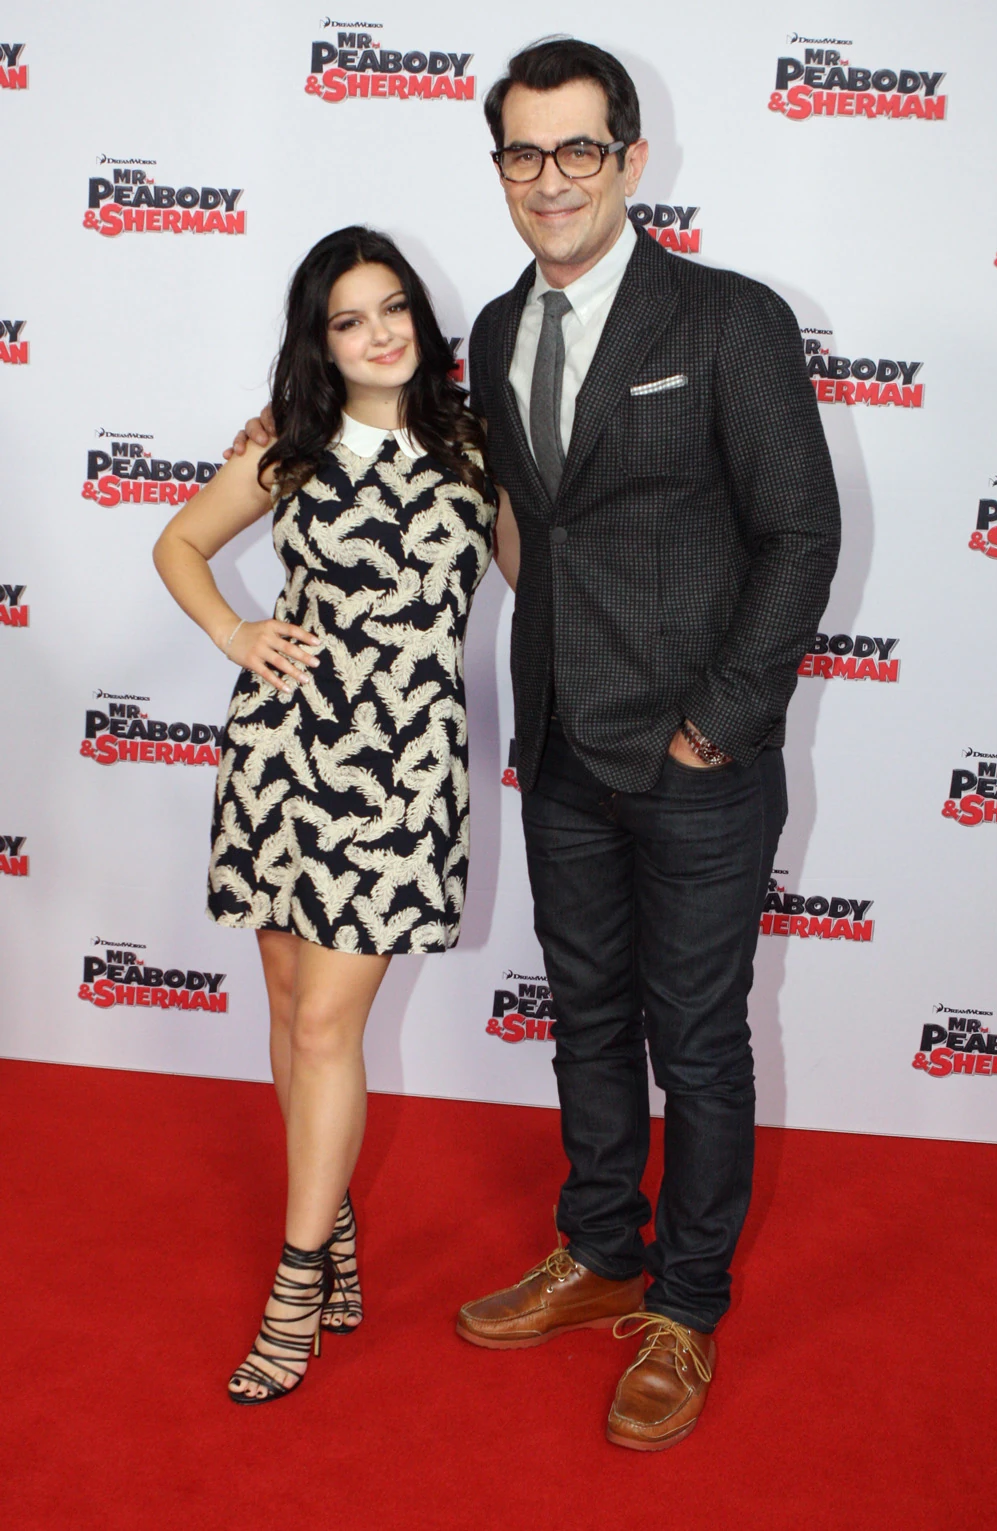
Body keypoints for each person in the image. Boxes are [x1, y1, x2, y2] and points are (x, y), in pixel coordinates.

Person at [230, 37, 840, 1450]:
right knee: (587, 1023)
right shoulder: (496, 334)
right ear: (499, 167)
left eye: (578, 148)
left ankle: (684, 1306)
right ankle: (602, 1248)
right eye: (523, 151)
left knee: (698, 1044)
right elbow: (449, 483)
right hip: (560, 750)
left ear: (631, 158)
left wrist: (717, 724)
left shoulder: (728, 318)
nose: (550, 177)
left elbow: (801, 534)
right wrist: (288, 423)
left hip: (697, 762)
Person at [154, 226, 499, 1404]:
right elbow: (179, 542)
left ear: (421, 319)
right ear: (321, 341)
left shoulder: (477, 448)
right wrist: (235, 632)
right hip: (282, 754)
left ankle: (296, 1281)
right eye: (350, 320)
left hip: (403, 776)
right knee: (293, 1007)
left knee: (321, 1027)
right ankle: (332, 1219)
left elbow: (546, 580)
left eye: (393, 307)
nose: (379, 333)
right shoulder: (287, 449)